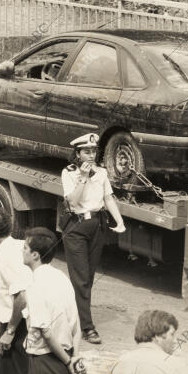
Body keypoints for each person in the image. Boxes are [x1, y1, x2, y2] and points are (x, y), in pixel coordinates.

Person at [61, 133, 126, 344]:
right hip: (76, 226)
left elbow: (108, 198)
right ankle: (87, 328)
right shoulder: (68, 173)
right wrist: (82, 177)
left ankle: (72, 315)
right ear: (77, 154)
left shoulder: (102, 173)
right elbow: (72, 201)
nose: (90, 155)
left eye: (93, 151)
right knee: (80, 279)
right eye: (86, 151)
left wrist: (119, 221)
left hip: (97, 225)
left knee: (87, 277)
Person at [22, 227, 85, 374]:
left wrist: (68, 362)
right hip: (67, 356)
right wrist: (74, 357)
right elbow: (77, 326)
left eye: (25, 248)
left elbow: (47, 333)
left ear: (35, 255)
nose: (21, 251)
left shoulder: (35, 285)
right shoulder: (62, 277)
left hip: (46, 362)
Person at [0, 206, 33, 374]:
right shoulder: (20, 246)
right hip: (22, 321)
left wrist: (10, 331)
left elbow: (22, 296)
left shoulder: (4, 257)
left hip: (18, 325)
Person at [110, 310, 183, 374]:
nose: (175, 341)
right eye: (172, 334)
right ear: (158, 336)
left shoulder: (120, 362)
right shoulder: (171, 366)